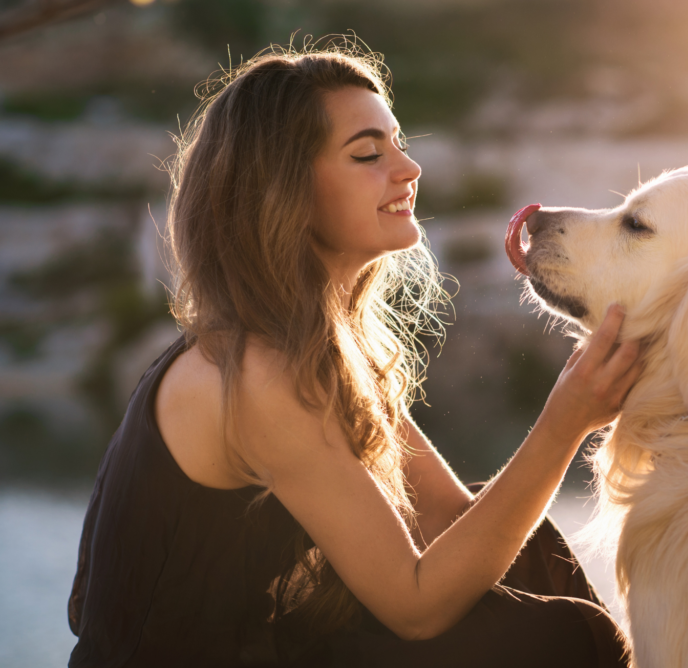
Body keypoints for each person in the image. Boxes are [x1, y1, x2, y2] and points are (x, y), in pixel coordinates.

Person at [68, 42, 641, 668]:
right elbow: (416, 609)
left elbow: (451, 520)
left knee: (535, 550)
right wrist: (566, 421)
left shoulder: (316, 345)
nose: (408, 168)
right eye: (369, 153)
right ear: (283, 192)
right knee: (563, 638)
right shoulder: (255, 372)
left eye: (399, 143)